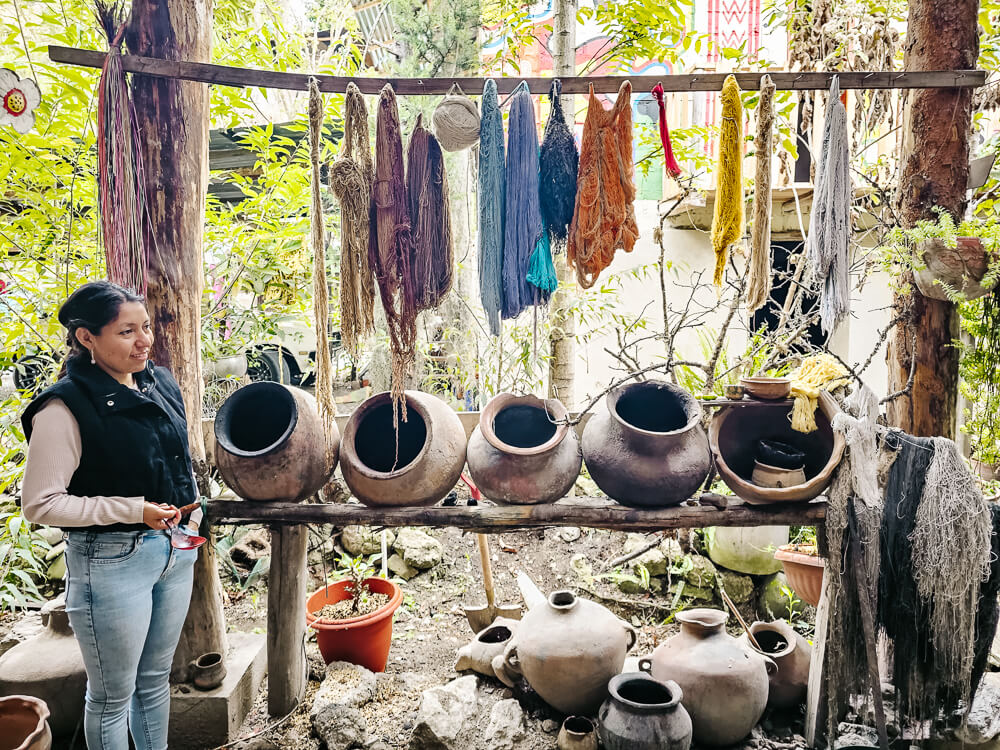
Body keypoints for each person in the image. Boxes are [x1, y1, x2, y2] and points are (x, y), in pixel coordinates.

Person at [21, 280, 199, 750]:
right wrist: (132, 510)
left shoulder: (157, 381)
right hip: (111, 563)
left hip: (174, 553)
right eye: (126, 332)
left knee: (155, 677)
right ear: (87, 338)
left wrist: (193, 514)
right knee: (111, 696)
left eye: (145, 328)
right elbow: (40, 503)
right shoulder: (64, 407)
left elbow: (178, 456)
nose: (144, 341)